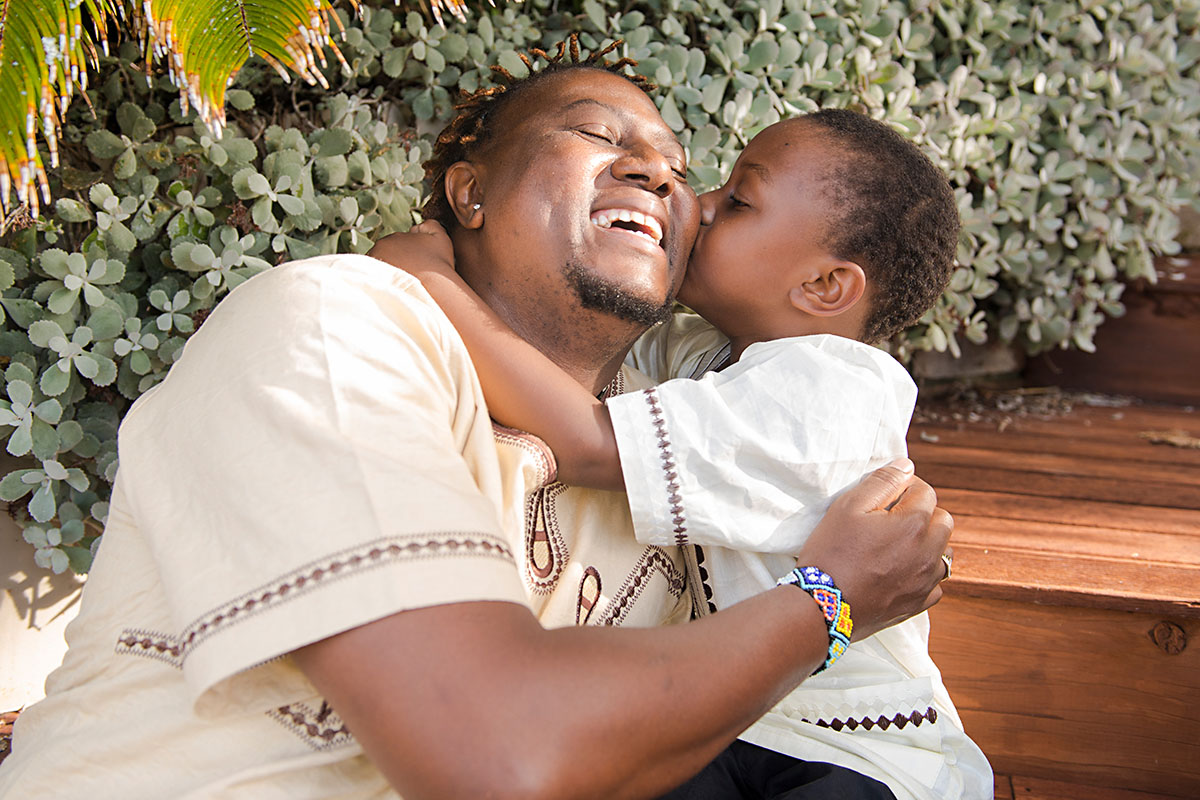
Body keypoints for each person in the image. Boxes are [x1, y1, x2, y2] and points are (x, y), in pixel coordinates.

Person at [0, 42, 955, 799]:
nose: (666, 180)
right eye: (597, 133)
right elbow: (497, 760)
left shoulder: (670, 429)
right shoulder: (343, 323)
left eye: (687, 174)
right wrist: (828, 604)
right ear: (472, 192)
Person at [375, 109, 993, 798]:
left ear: (824, 287)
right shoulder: (704, 352)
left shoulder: (835, 390)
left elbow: (588, 441)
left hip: (854, 747)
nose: (696, 206)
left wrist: (432, 285)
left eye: (737, 202)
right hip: (738, 722)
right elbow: (559, 340)